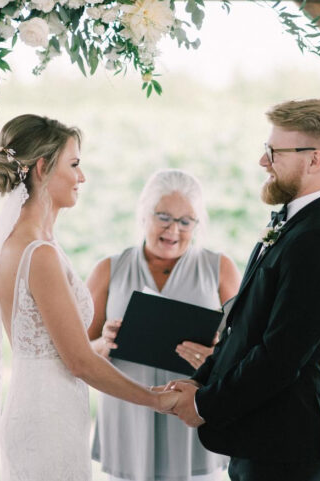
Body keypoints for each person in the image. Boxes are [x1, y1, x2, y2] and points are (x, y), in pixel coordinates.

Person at [0, 114, 177, 481]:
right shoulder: (38, 253)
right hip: (47, 423)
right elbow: (78, 363)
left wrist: (101, 345)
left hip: (47, 411)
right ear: (42, 168)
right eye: (74, 164)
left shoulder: (31, 242)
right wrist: (156, 398)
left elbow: (48, 349)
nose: (81, 177)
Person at [164, 98, 320, 481]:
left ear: (315, 160)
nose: (263, 162)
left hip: (286, 442)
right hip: (260, 435)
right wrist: (201, 379)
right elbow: (245, 327)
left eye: (274, 152)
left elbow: (280, 355)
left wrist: (205, 404)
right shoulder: (296, 225)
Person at [87, 169, 241, 481]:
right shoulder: (108, 269)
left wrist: (216, 356)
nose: (174, 230)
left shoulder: (219, 268)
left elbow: (244, 347)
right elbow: (79, 352)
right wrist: (105, 342)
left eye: (186, 221)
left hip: (191, 416)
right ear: (144, 215)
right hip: (127, 415)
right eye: (164, 217)